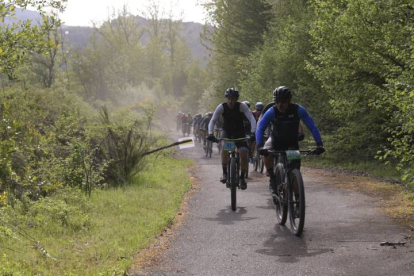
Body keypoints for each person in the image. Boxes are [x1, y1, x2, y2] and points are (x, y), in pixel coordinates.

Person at [256, 86, 325, 193]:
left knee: (294, 173)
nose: (280, 104)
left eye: (283, 101)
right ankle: (272, 179)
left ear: (289, 101)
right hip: (275, 140)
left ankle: (298, 202)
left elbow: (312, 127)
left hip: (291, 143)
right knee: (266, 150)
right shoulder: (272, 111)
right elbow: (260, 128)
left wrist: (319, 144)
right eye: (277, 101)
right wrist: (259, 145)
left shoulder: (298, 110)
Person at [207, 88, 256, 190]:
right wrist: (211, 133)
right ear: (226, 98)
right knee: (225, 148)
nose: (230, 101)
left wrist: (253, 131)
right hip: (227, 132)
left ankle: (242, 177)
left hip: (240, 132)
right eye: (228, 98)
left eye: (233, 99)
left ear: (237, 99)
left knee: (243, 153)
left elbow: (251, 118)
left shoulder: (242, 106)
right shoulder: (221, 107)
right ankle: (225, 173)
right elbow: (212, 121)